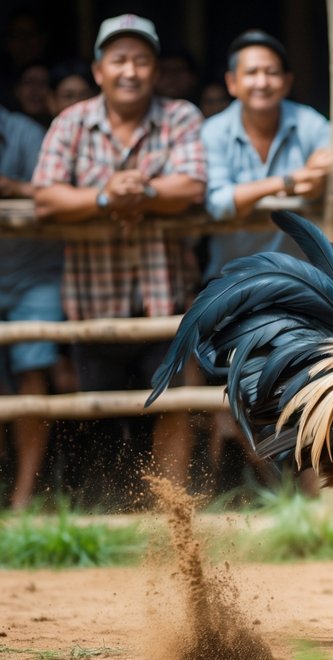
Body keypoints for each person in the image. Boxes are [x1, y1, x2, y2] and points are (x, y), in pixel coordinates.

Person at [31, 14, 206, 490]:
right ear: (98, 70)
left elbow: (191, 185)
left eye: (141, 60)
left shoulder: (180, 116)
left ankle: (173, 517)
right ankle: (111, 515)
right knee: (101, 418)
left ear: (154, 68)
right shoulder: (71, 122)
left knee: (170, 408)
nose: (130, 70)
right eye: (119, 60)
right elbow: (45, 196)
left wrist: (142, 192)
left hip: (162, 300)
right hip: (93, 303)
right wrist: (107, 197)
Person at [202, 30, 331, 279]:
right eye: (251, 73)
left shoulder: (308, 122)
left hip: (299, 279)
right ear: (232, 83)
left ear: (287, 82)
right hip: (230, 281)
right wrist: (287, 182)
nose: (262, 82)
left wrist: (318, 182)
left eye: (271, 72)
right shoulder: (214, 131)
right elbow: (219, 204)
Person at [0, 103, 64, 509]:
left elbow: (52, 192)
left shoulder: (25, 133)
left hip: (34, 274)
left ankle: (23, 496)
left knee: (32, 370)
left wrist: (10, 187)